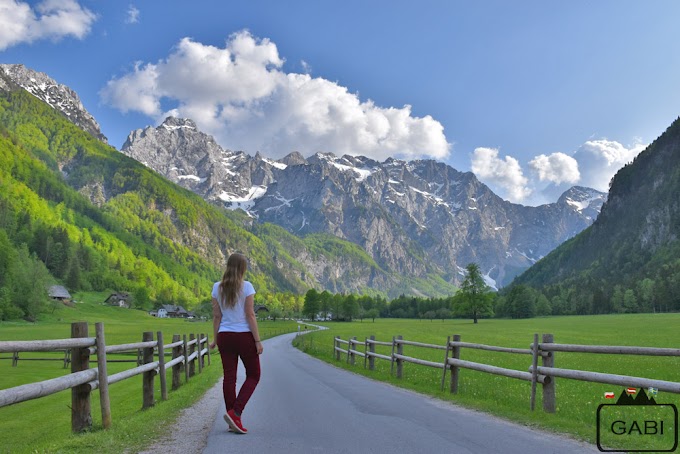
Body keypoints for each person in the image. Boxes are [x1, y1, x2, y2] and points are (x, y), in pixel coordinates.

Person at [209, 253, 263, 434]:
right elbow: (250, 315)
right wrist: (257, 340)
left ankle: (232, 418)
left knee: (229, 378)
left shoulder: (216, 287)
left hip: (225, 336)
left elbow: (217, 316)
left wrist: (215, 339)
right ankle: (236, 413)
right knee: (254, 375)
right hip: (244, 336)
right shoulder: (247, 287)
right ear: (243, 268)